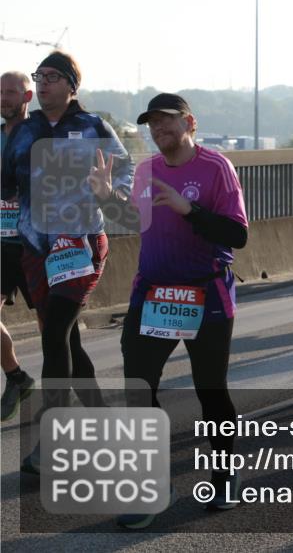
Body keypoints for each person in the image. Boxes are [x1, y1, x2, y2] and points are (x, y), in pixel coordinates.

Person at [89, 93, 248, 525]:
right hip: (154, 294)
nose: (159, 132)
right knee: (139, 390)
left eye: (167, 123)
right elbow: (137, 219)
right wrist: (106, 199)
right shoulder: (146, 169)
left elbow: (237, 235)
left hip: (205, 293)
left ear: (189, 123)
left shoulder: (217, 168)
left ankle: (224, 472)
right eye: (152, 126)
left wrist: (190, 209)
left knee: (210, 390)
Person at [2, 52, 134, 473]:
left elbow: (125, 175)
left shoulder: (94, 127)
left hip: (78, 243)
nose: (43, 84)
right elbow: (5, 186)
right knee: (68, 341)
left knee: (56, 328)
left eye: (53, 77)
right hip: (35, 248)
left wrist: (108, 190)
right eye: (39, 77)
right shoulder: (23, 132)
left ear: (72, 86)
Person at [0, 71, 37, 421]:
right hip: (1, 243)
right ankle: (17, 377)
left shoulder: (40, 135)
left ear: (27, 97)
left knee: (54, 328)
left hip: (35, 243)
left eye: (11, 92)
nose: (3, 98)